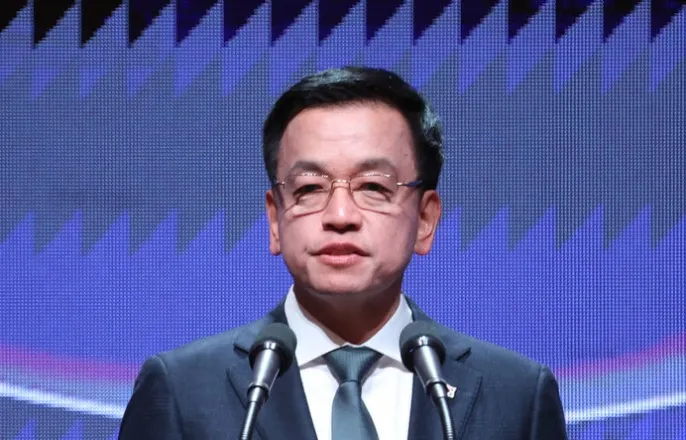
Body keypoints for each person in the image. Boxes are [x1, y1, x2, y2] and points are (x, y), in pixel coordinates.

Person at [118, 66, 568, 440]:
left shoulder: (516, 396)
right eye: (309, 188)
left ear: (425, 219)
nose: (339, 215)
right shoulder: (183, 391)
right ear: (275, 219)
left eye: (373, 187)